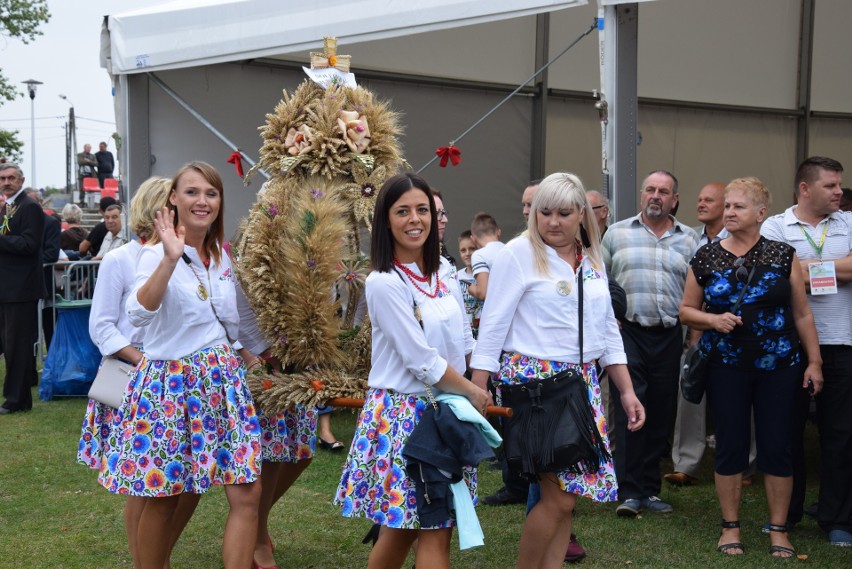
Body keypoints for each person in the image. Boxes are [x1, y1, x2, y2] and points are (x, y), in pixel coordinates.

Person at [470, 172, 645, 569]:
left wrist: (627, 391)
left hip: (582, 382)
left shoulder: (592, 257)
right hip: (535, 383)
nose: (552, 221)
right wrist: (477, 389)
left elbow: (606, 332)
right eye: (544, 212)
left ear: (582, 214)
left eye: (564, 213)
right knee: (559, 497)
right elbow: (492, 324)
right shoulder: (517, 253)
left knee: (567, 499)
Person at [97, 161, 262, 569]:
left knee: (247, 493)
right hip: (170, 385)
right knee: (165, 496)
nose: (202, 201)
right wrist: (170, 259)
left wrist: (247, 354)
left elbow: (224, 322)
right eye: (192, 192)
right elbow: (137, 314)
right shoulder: (156, 253)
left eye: (211, 193)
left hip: (224, 384)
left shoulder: (223, 256)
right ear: (173, 198)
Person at [335, 172, 490, 569]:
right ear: (385, 221)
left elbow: (462, 342)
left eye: (422, 209)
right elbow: (420, 360)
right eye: (402, 211)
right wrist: (472, 393)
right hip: (402, 416)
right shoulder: (383, 282)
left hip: (448, 412)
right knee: (409, 528)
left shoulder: (444, 270)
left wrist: (474, 387)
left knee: (428, 527)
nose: (415, 219)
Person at [680, 177, 823, 558]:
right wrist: (712, 321)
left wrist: (814, 362)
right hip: (726, 366)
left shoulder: (782, 254)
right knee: (730, 447)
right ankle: (731, 528)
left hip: (781, 366)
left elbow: (802, 313)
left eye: (738, 207)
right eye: (727, 206)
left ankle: (779, 530)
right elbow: (685, 310)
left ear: (761, 214)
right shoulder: (705, 257)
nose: (728, 212)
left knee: (778, 447)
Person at [78, 177, 199, 567]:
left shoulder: (191, 255)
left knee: (186, 481)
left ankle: (157, 554)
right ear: (156, 206)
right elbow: (102, 326)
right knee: (143, 483)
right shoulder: (121, 258)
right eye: (176, 199)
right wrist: (141, 360)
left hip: (179, 379)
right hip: (133, 377)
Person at [761, 157, 852, 547]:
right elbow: (776, 276)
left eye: (838, 185)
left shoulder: (849, 222)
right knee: (786, 433)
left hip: (842, 342)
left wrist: (805, 270)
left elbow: (795, 274)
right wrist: (833, 268)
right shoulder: (776, 226)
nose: (839, 192)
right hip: (789, 346)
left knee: (841, 435)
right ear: (804, 188)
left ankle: (838, 519)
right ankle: (788, 514)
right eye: (831, 185)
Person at [601, 169, 699, 516]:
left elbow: (698, 291)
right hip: (627, 334)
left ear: (675, 199)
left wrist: (694, 336)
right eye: (650, 189)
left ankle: (649, 488)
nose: (656, 196)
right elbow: (601, 282)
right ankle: (629, 490)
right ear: (642, 195)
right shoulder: (616, 234)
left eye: (664, 191)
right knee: (631, 406)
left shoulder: (690, 239)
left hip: (670, 335)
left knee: (660, 410)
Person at [665, 182, 761, 487]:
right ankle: (686, 463)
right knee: (690, 394)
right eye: (700, 198)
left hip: (738, 336)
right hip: (697, 328)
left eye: (710, 200)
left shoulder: (749, 243)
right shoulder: (690, 237)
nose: (701, 204)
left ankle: (745, 466)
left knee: (742, 402)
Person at [233, 266, 317, 569]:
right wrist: (255, 356)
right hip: (259, 365)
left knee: (302, 451)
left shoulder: (307, 251)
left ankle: (255, 522)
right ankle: (256, 538)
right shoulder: (247, 257)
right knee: (272, 454)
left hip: (298, 362)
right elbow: (234, 314)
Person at [0, 163, 44, 415]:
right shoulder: (8, 206)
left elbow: (29, 244)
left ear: (21, 180)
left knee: (16, 346)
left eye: (11, 178)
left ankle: (16, 399)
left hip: (20, 289)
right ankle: (19, 393)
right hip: (7, 288)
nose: (6, 182)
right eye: (2, 178)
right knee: (10, 344)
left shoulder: (29, 207)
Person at [467, 212, 503, 301]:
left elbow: (483, 293)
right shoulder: (511, 249)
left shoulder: (479, 255)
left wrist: (471, 289)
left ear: (473, 239)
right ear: (498, 232)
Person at [457, 230, 483, 339]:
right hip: (465, 333)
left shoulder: (486, 276)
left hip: (484, 331)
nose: (467, 253)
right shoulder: (456, 276)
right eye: (463, 250)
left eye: (472, 249)